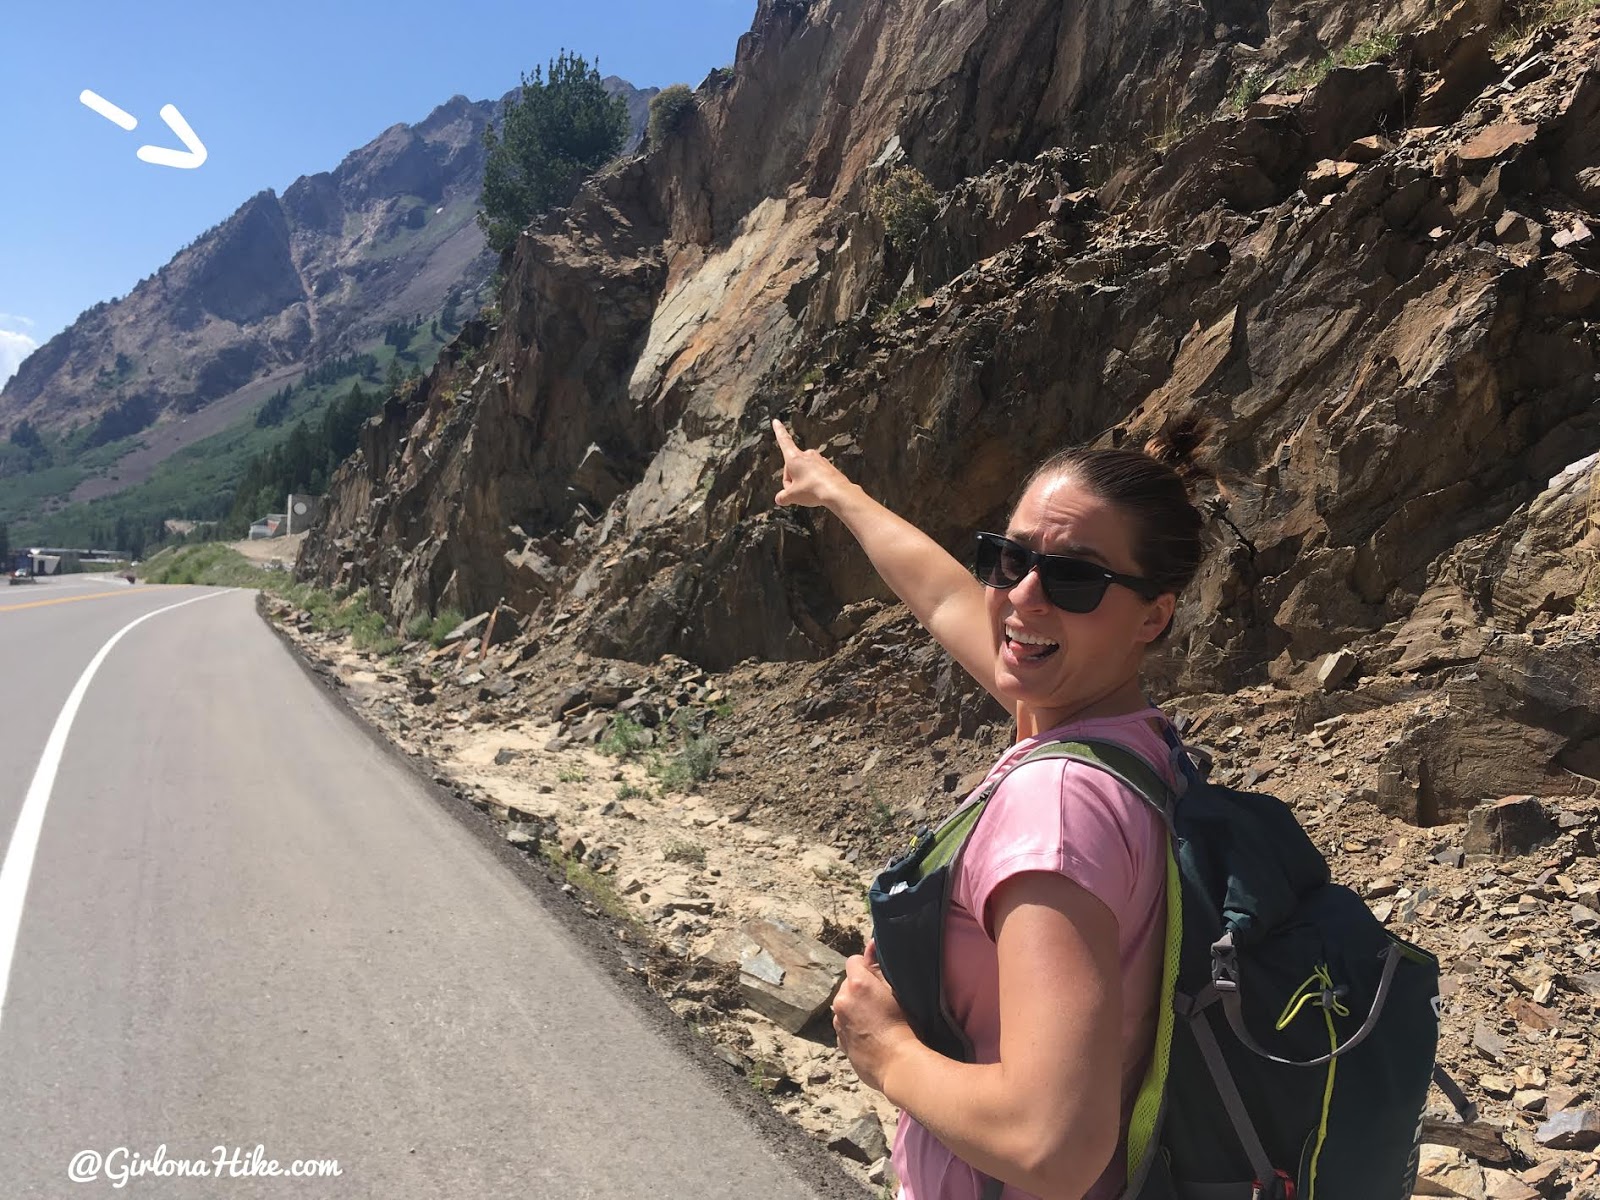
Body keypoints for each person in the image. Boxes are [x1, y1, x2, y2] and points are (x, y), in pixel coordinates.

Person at [771, 417, 1210, 1200]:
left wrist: (887, 1053)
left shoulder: (1061, 799)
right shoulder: (1128, 743)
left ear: (1154, 615)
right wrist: (833, 490)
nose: (1023, 596)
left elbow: (1054, 1146)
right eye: (1008, 559)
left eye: (1075, 578)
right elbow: (943, 595)